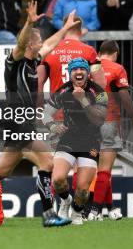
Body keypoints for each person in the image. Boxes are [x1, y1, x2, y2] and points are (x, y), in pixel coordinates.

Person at [0, 2, 79, 227]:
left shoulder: (34, 62)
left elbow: (50, 44)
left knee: (1, 170)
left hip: (22, 121)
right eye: (38, 40)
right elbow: (21, 43)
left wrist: (66, 29)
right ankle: (49, 215)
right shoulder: (16, 61)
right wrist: (29, 22)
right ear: (30, 43)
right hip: (16, 120)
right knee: (47, 163)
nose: (42, 43)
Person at [47, 58, 108, 225]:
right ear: (70, 73)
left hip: (91, 141)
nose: (79, 72)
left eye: (82, 69)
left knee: (82, 189)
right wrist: (52, 126)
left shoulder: (100, 92)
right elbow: (45, 114)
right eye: (75, 70)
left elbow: (99, 120)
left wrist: (83, 100)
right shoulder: (62, 90)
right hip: (68, 140)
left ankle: (76, 211)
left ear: (88, 73)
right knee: (58, 179)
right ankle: (65, 201)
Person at [87, 41, 133, 221]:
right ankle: (94, 211)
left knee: (97, 168)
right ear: (115, 53)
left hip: (87, 122)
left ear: (100, 52)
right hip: (109, 121)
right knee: (105, 169)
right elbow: (125, 97)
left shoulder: (89, 68)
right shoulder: (117, 68)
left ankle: (109, 209)